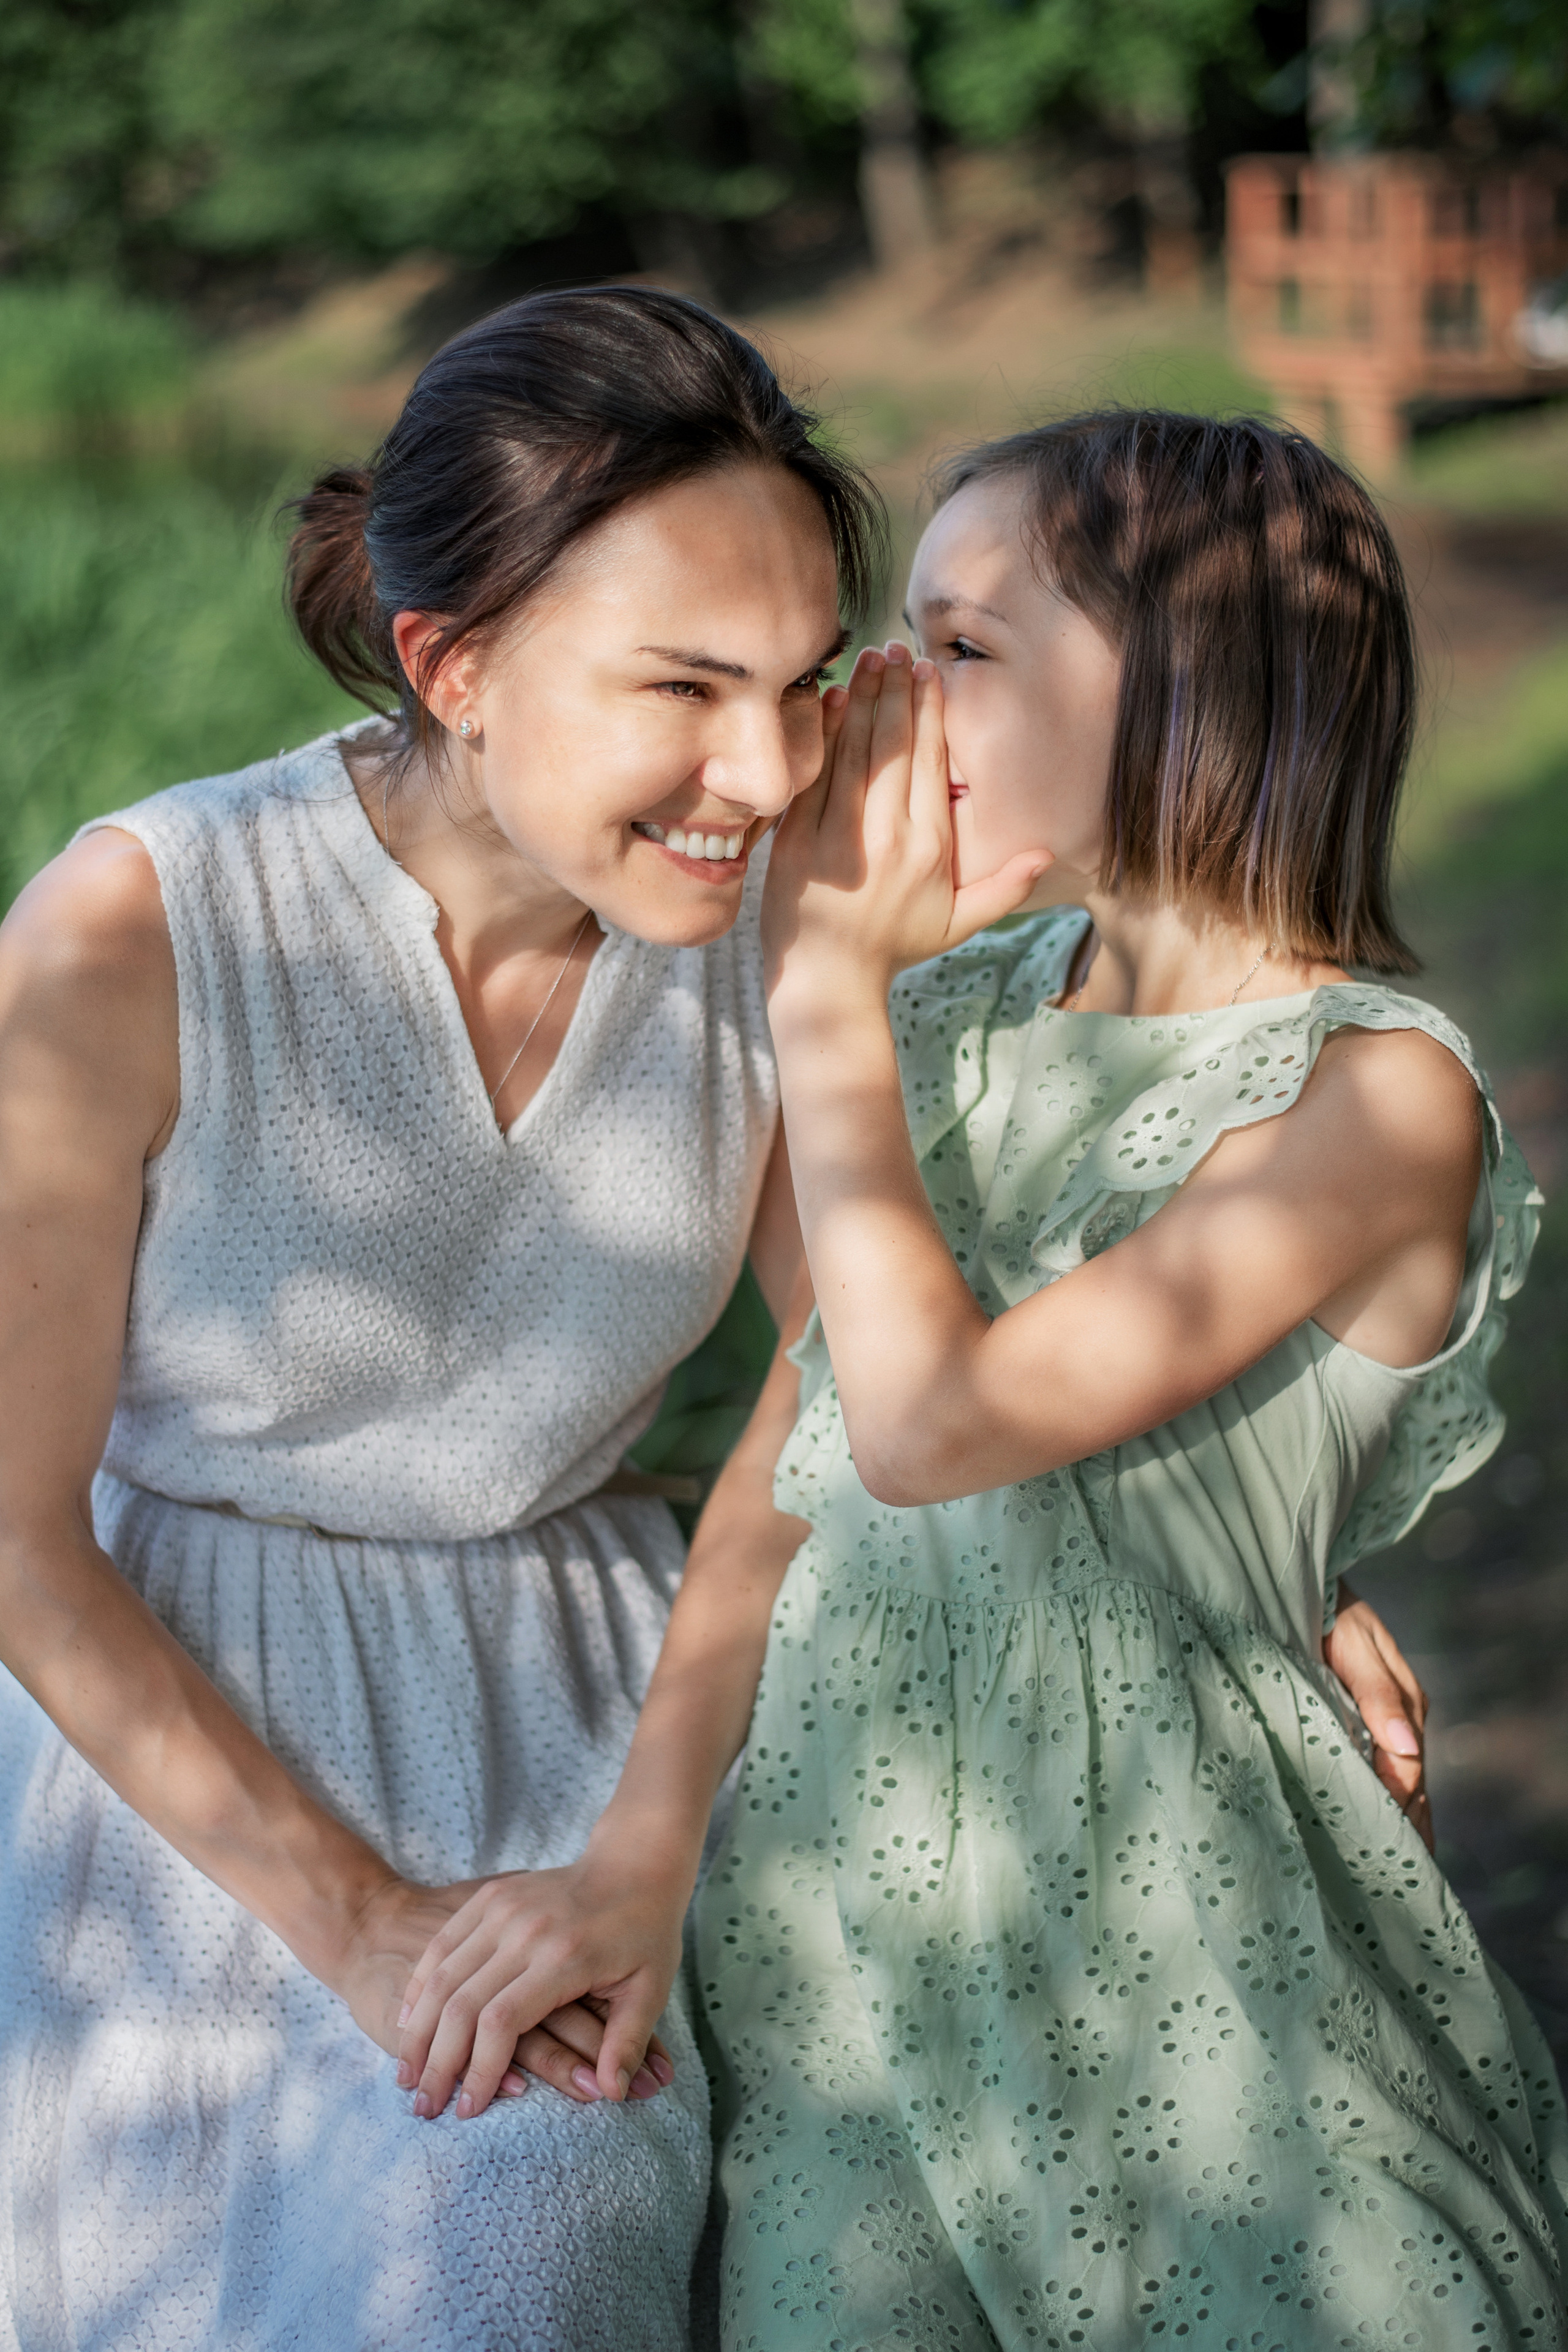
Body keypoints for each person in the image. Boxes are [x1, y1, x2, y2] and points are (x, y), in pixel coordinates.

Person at [394, 411, 1567, 2348]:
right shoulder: (942, 1024)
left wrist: (828, 999)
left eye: (959, 642)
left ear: (1191, 686)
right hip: (847, 1942)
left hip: (1184, 1924)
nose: (874, 700)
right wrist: (634, 1864)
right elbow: (808, 1450)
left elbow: (938, 1430)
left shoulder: (1377, 1096)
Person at [0, 285, 883, 2351]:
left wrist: (645, 1856)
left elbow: (852, 1388)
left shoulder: (778, 929)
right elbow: (14, 1534)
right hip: (190, 1758)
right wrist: (370, 1932)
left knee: (540, 2223)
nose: (759, 772)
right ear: (453, 663)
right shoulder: (142, 924)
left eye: (805, 686)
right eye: (682, 687)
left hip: (594, 1719)